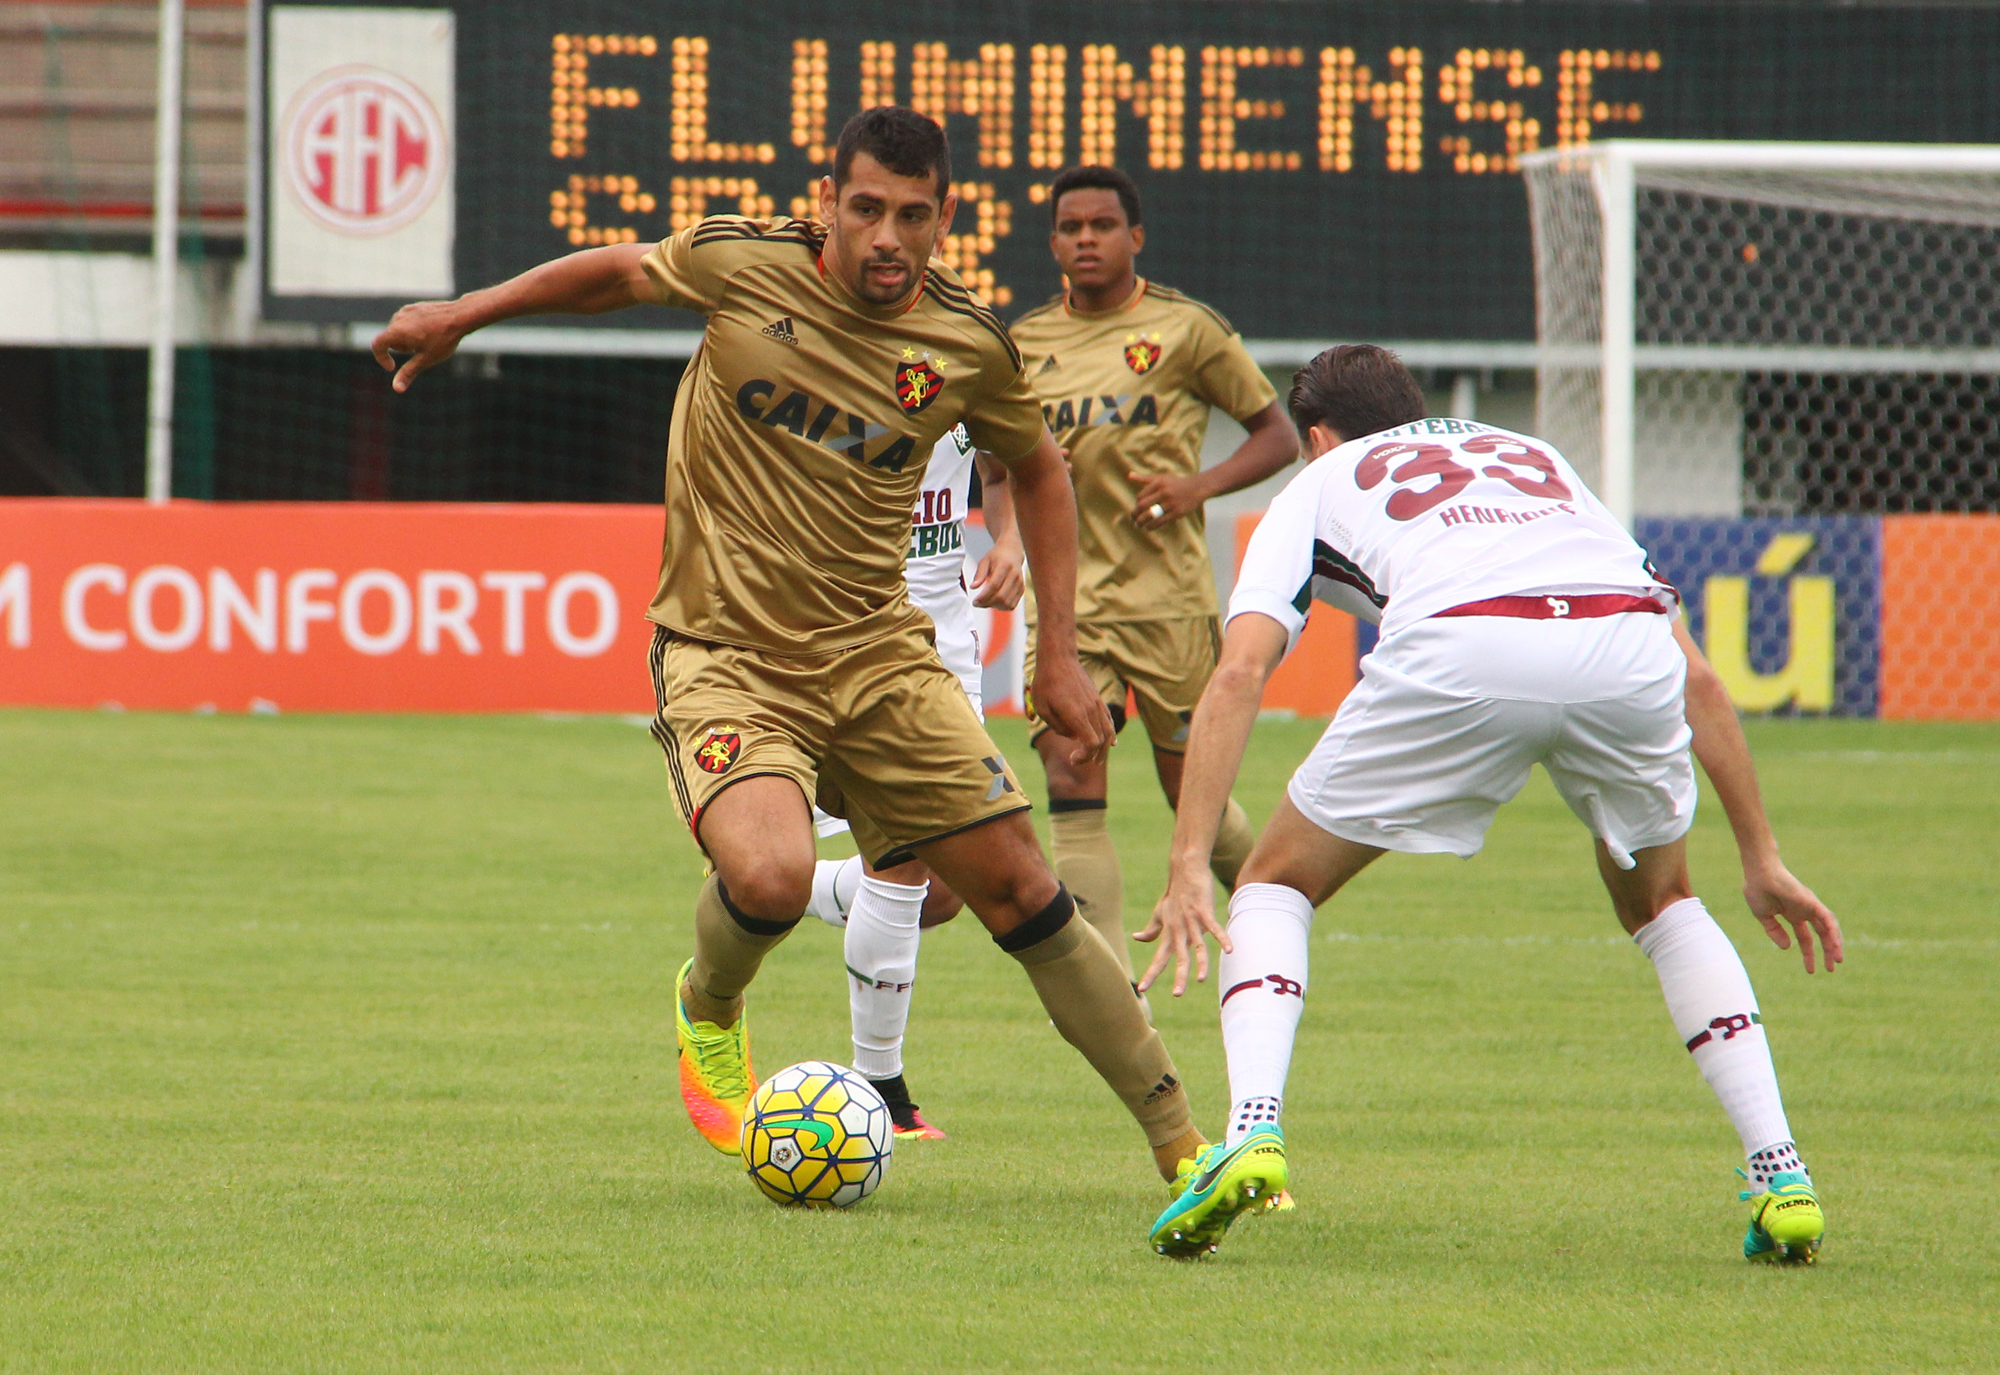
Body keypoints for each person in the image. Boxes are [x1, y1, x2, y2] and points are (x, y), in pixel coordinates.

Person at [372, 108, 1209, 1189]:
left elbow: (1038, 470)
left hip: (877, 656)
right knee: (765, 875)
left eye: (913, 216)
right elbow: (616, 272)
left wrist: (1055, 648)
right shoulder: (743, 265)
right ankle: (708, 1002)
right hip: (726, 649)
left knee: (1013, 890)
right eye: (865, 209)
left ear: (946, 218)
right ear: (828, 202)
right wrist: (463, 315)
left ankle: (1187, 1148)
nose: (886, 239)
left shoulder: (967, 344)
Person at [1137, 344, 1840, 1262]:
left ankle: (1252, 1131)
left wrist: (1191, 857)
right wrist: (1762, 853)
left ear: (1316, 436)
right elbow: (1696, 674)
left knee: (1272, 884)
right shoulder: (1532, 455)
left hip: (1466, 643)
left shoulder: (1321, 481)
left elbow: (1239, 671)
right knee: (1664, 900)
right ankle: (1783, 1174)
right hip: (1620, 646)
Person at [1009, 165, 1299, 992]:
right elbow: (997, 463)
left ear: (1134, 237)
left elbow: (1276, 433)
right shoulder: (1025, 342)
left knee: (1192, 794)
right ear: (1055, 242)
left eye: (1103, 225)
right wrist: (1011, 513)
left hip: (1169, 603)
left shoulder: (1185, 329)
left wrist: (1197, 487)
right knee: (1070, 768)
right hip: (1068, 607)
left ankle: (1279, 908)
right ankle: (1107, 989)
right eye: (1071, 227)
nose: (1086, 239)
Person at [803, 424, 1026, 1139]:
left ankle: (769, 887)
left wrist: (1010, 540)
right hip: (843, 642)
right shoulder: (822, 355)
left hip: (947, 650)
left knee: (944, 894)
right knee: (901, 867)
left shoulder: (965, 351)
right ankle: (882, 1091)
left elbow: (1001, 469)